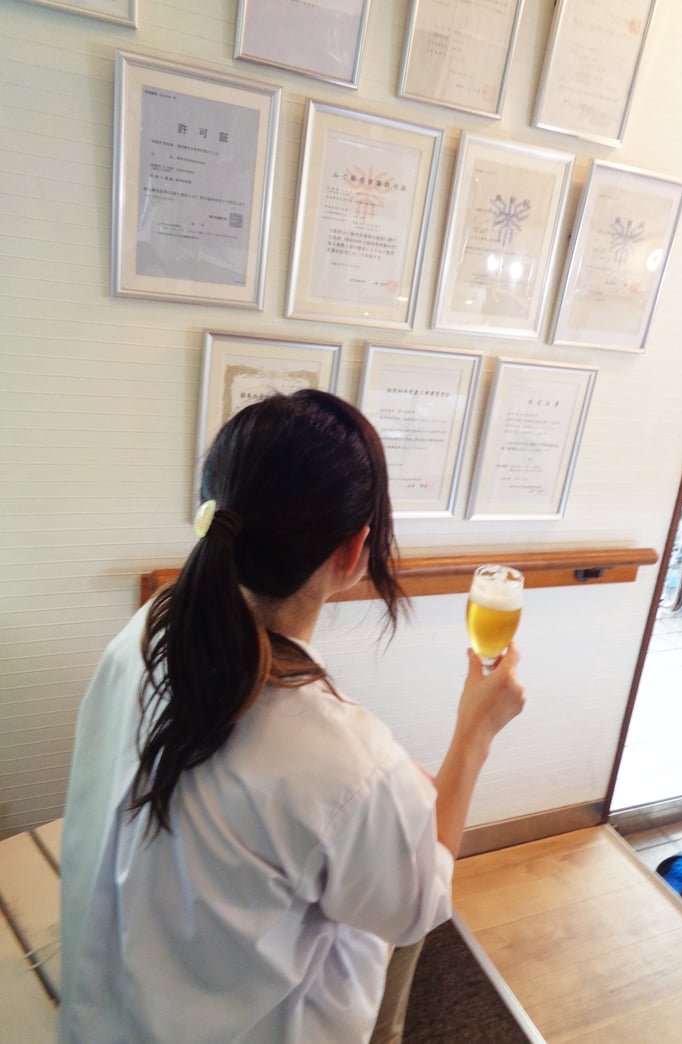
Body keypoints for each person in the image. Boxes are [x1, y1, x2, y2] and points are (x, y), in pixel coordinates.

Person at [59, 389, 524, 1044]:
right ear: (353, 550)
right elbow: (416, 908)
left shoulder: (147, 630)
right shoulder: (345, 762)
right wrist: (474, 732)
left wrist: (381, 796)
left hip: (101, 1001)